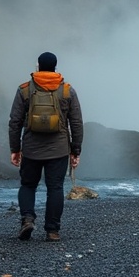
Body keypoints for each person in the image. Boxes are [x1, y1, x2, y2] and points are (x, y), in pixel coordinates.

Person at [8, 51, 83, 242]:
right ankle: (52, 231)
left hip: (31, 149)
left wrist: (15, 149)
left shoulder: (24, 89)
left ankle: (27, 219)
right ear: (56, 68)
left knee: (27, 185)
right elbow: (76, 123)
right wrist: (76, 150)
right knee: (55, 188)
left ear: (38, 66)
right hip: (58, 150)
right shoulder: (67, 91)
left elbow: (15, 122)